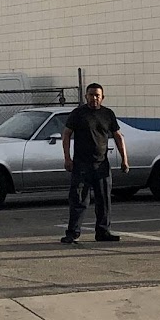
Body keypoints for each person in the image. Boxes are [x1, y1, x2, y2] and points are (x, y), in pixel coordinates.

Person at [60, 83, 129, 244]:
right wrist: (67, 158)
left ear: (102, 97)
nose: (94, 98)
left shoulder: (108, 114)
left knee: (104, 200)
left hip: (102, 165)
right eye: (91, 95)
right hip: (81, 165)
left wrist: (124, 159)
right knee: (79, 200)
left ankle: (103, 232)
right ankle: (73, 233)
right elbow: (66, 135)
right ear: (86, 96)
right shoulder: (78, 114)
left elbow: (118, 136)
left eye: (97, 95)